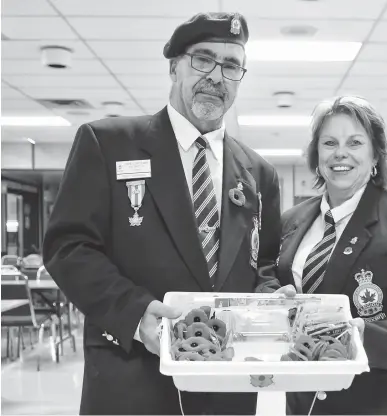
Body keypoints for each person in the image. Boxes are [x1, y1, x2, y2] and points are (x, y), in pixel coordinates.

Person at [43, 12, 293, 415]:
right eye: (203, 59)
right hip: (131, 377)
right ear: (174, 66)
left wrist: (268, 299)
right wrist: (134, 310)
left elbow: (261, 265)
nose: (217, 75)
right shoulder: (108, 145)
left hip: (225, 386)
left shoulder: (259, 174)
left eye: (231, 65)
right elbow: (68, 247)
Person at [275, 96, 387, 415]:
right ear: (316, 156)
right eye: (329, 142)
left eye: (355, 142)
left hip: (384, 400)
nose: (340, 152)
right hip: (307, 401)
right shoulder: (291, 221)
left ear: (375, 156)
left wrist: (361, 339)